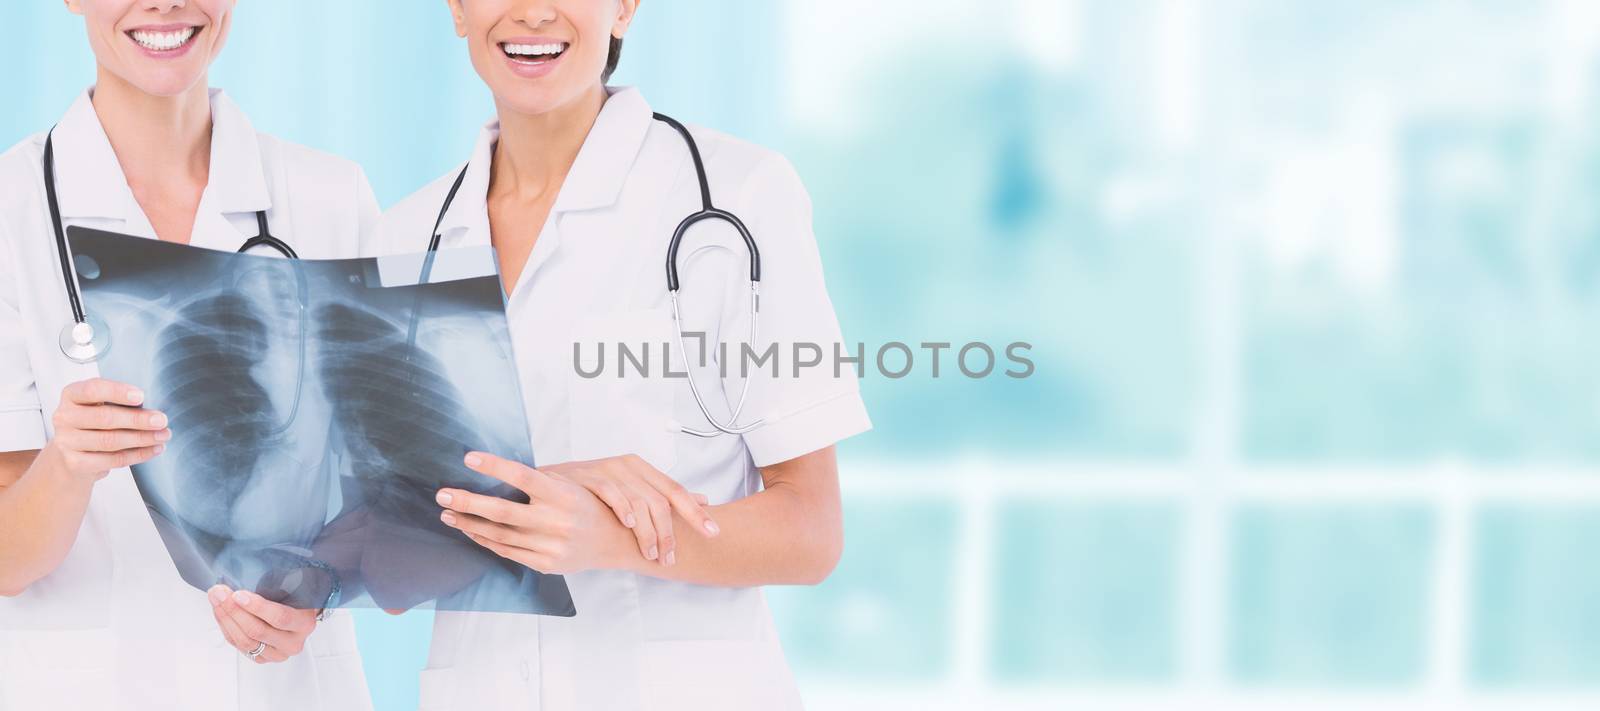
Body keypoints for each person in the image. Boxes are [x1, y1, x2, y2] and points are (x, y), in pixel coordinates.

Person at [373, 1, 872, 709]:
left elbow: (812, 531)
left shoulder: (737, 196)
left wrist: (607, 534)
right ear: (457, 9)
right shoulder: (405, 235)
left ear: (626, 7)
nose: (534, 13)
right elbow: (390, 568)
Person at [0, 1, 377, 709]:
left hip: (287, 688)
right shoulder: (10, 210)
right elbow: (7, 561)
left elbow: (388, 493)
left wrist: (316, 589)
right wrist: (67, 462)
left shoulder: (330, 196)